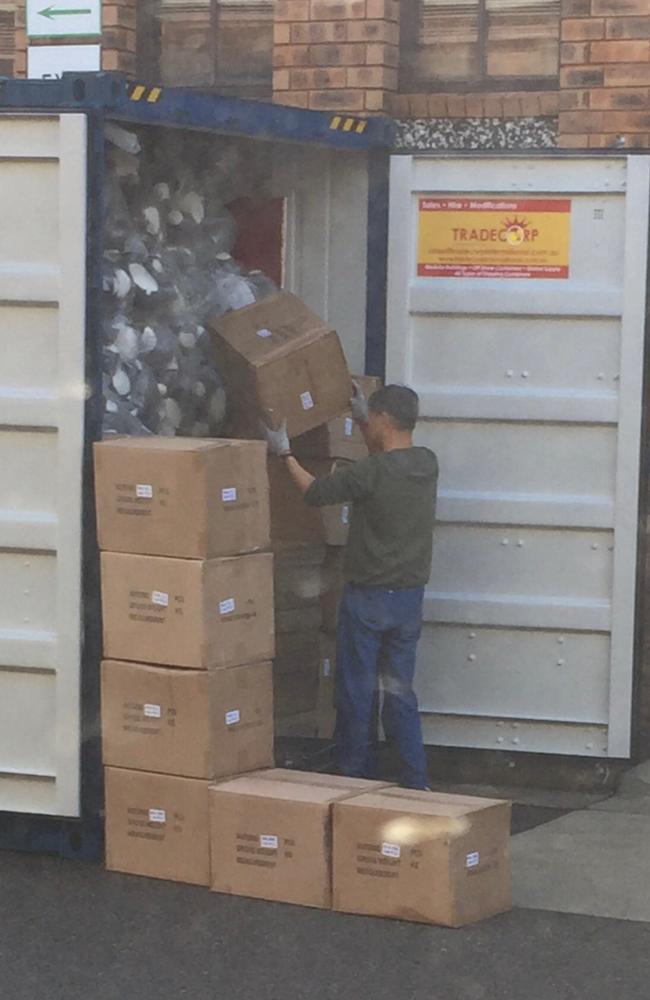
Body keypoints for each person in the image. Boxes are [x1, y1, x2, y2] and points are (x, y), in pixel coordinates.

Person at [262, 382, 438, 790]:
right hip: (409, 602)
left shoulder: (370, 473)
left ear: (385, 420)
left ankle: (354, 781)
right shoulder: (427, 464)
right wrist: (362, 418)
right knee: (400, 694)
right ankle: (416, 782)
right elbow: (385, 461)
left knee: (357, 692)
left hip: (369, 601)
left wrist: (284, 450)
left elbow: (315, 492)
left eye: (373, 418)